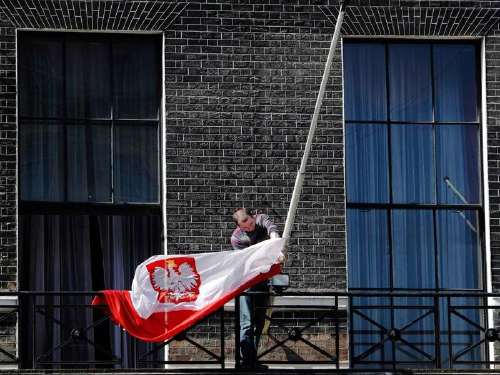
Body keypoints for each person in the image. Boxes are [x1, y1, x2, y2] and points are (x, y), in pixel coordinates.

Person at [231, 208, 280, 370]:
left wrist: (276, 244)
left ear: (253, 217)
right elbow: (245, 262)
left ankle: (254, 360)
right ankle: (246, 362)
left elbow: (272, 228)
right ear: (239, 227)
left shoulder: (261, 219)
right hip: (246, 284)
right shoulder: (236, 238)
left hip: (263, 282)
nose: (250, 228)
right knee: (246, 323)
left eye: (251, 224)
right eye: (245, 227)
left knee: (260, 323)